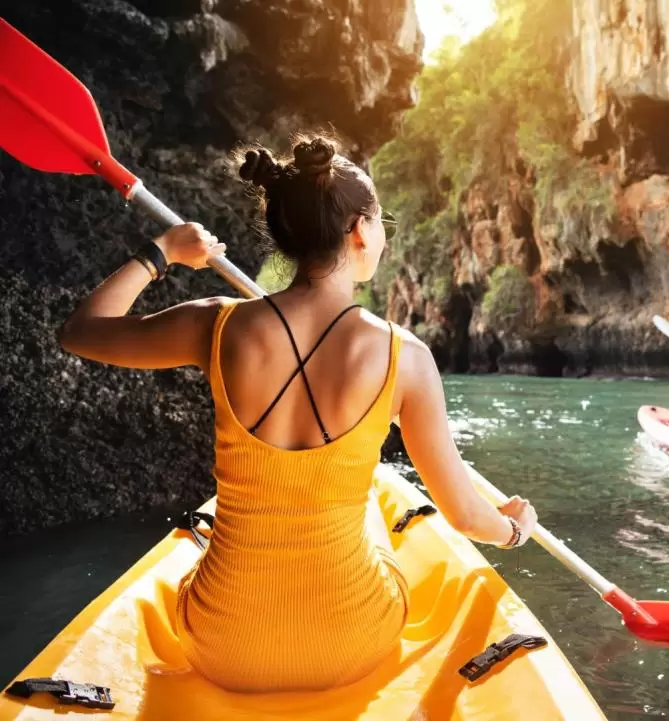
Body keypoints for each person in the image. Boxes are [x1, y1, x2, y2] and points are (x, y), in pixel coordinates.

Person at [56, 136, 538, 692]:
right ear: (360, 230)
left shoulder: (216, 325)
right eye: (382, 221)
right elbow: (465, 518)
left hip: (223, 645)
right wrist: (513, 529)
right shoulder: (406, 358)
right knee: (373, 507)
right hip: (353, 642)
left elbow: (80, 332)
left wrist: (160, 251)